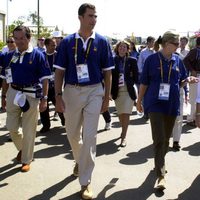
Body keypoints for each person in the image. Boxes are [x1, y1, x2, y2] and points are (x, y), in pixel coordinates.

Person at [54, 3, 114, 199]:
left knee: (90, 137)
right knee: (72, 135)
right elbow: (59, 72)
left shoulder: (102, 42)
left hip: (95, 91)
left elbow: (108, 73)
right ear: (80, 17)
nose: (94, 19)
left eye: (95, 16)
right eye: (90, 16)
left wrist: (106, 97)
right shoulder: (67, 42)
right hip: (71, 91)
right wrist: (58, 96)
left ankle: (85, 181)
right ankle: (79, 161)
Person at [136, 31, 198, 190]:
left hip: (172, 104)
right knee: (159, 139)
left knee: (165, 140)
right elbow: (143, 83)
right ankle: (161, 175)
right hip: (154, 104)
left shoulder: (178, 60)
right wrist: (139, 101)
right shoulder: (151, 59)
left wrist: (188, 80)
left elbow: (182, 81)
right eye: (176, 43)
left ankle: (159, 163)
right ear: (166, 43)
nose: (179, 46)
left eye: (179, 44)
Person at [0, 25, 51, 172]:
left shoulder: (38, 55)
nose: (18, 41)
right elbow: (4, 78)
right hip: (13, 92)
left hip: (31, 94)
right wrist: (4, 96)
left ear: (28, 38)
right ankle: (23, 148)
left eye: (22, 38)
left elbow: (45, 79)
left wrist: (44, 98)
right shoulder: (9, 56)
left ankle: (26, 159)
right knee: (11, 127)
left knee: (29, 129)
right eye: (16, 38)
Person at [111, 41, 138, 147]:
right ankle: (123, 131)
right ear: (117, 48)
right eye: (120, 47)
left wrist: (131, 81)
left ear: (128, 49)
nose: (122, 48)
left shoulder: (132, 60)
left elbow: (136, 77)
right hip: (117, 90)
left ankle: (124, 136)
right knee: (120, 113)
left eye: (124, 47)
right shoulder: (112, 60)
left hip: (128, 90)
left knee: (126, 113)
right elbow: (109, 76)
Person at [39, 38, 65, 133]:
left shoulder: (58, 55)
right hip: (43, 85)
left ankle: (64, 119)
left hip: (55, 86)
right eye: (52, 45)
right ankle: (46, 125)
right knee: (43, 106)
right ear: (46, 46)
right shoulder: (41, 55)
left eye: (55, 45)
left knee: (59, 104)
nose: (55, 47)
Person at [172, 36, 189, 151]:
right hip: (164, 94)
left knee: (178, 118)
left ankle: (176, 141)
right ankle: (164, 139)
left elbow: (184, 77)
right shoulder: (158, 58)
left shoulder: (179, 59)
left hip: (178, 92)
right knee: (166, 118)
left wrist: (186, 91)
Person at [183, 37, 200, 127]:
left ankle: (196, 118)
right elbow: (185, 60)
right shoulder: (194, 51)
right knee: (193, 99)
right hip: (195, 76)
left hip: (197, 76)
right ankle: (190, 119)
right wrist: (192, 69)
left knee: (197, 99)